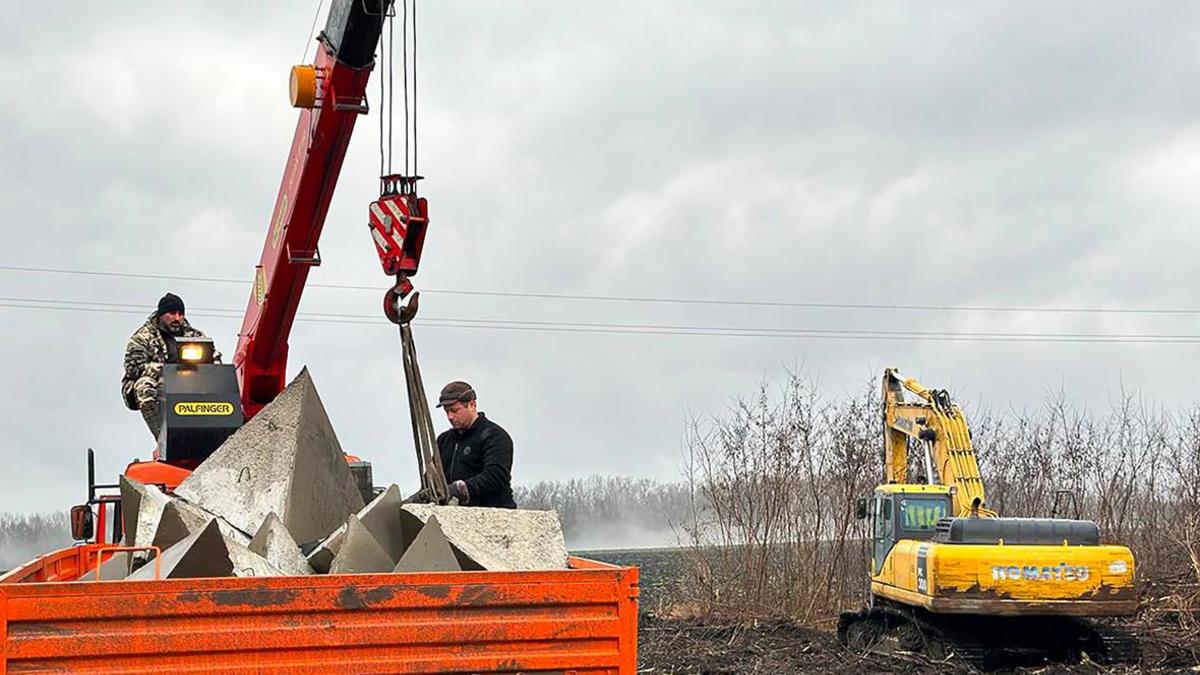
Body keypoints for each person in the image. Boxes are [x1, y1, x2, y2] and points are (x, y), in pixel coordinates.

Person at [121, 293, 208, 438]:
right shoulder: (142, 338)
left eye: (180, 314)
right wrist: (167, 370)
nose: (177, 318)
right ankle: (163, 439)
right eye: (172, 313)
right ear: (161, 314)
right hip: (154, 383)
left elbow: (213, 358)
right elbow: (134, 368)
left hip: (189, 381)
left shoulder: (195, 336)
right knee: (144, 386)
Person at [435, 381, 517, 508]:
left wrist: (459, 490)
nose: (450, 417)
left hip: (493, 516)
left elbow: (495, 476)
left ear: (472, 405)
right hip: (453, 517)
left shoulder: (495, 436)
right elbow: (432, 477)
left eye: (455, 410)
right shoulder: (444, 441)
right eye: (447, 412)